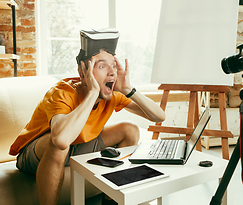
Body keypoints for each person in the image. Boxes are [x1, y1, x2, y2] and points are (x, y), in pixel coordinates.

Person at [9, 29, 166, 205]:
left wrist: (128, 90)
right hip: (35, 153)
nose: (112, 72)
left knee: (130, 129)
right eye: (101, 66)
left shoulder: (113, 93)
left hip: (79, 145)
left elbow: (159, 116)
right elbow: (60, 140)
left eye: (113, 65)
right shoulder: (62, 93)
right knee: (58, 146)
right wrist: (93, 93)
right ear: (83, 72)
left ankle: (110, 200)